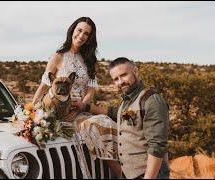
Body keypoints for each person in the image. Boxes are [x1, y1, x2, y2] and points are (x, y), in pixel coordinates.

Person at [32, 17, 119, 177]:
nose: (82, 35)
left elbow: (91, 89)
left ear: (89, 38)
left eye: (86, 33)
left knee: (106, 122)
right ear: (72, 30)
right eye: (79, 30)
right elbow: (44, 85)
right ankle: (121, 174)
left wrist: (82, 105)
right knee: (97, 125)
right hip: (60, 110)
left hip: (81, 109)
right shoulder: (58, 56)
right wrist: (31, 108)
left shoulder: (90, 60)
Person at [108, 57, 170, 179]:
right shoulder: (126, 102)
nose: (120, 82)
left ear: (135, 71)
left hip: (150, 175)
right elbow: (115, 113)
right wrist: (86, 107)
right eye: (116, 79)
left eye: (124, 75)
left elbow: (156, 146)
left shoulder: (151, 100)